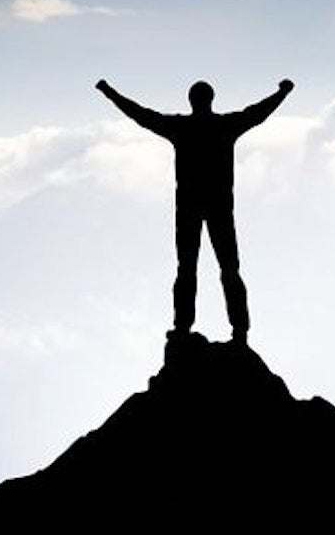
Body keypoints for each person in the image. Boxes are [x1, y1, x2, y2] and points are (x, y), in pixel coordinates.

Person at [96, 77, 293, 344]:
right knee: (228, 269)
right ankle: (239, 332)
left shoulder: (181, 127)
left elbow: (140, 115)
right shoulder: (224, 126)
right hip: (219, 209)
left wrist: (109, 92)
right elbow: (258, 113)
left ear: (191, 100)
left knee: (188, 269)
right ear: (211, 99)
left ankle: (183, 327)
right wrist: (282, 92)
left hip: (190, 209)